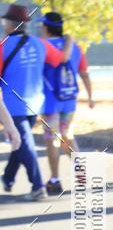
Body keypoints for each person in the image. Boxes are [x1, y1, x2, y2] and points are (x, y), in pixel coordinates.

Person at [1, 4, 73, 200]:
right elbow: (62, 58)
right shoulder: (40, 43)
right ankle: (7, 177)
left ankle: (37, 187)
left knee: (24, 142)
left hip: (12, 106)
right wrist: (69, 41)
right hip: (35, 103)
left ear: (9, 23)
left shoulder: (2, 46)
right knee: (22, 141)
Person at [40, 11, 94, 196]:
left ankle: (55, 179)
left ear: (46, 27)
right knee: (67, 136)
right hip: (70, 100)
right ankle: (82, 176)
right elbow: (84, 73)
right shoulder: (76, 47)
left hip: (50, 101)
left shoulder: (43, 46)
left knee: (52, 140)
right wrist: (90, 96)